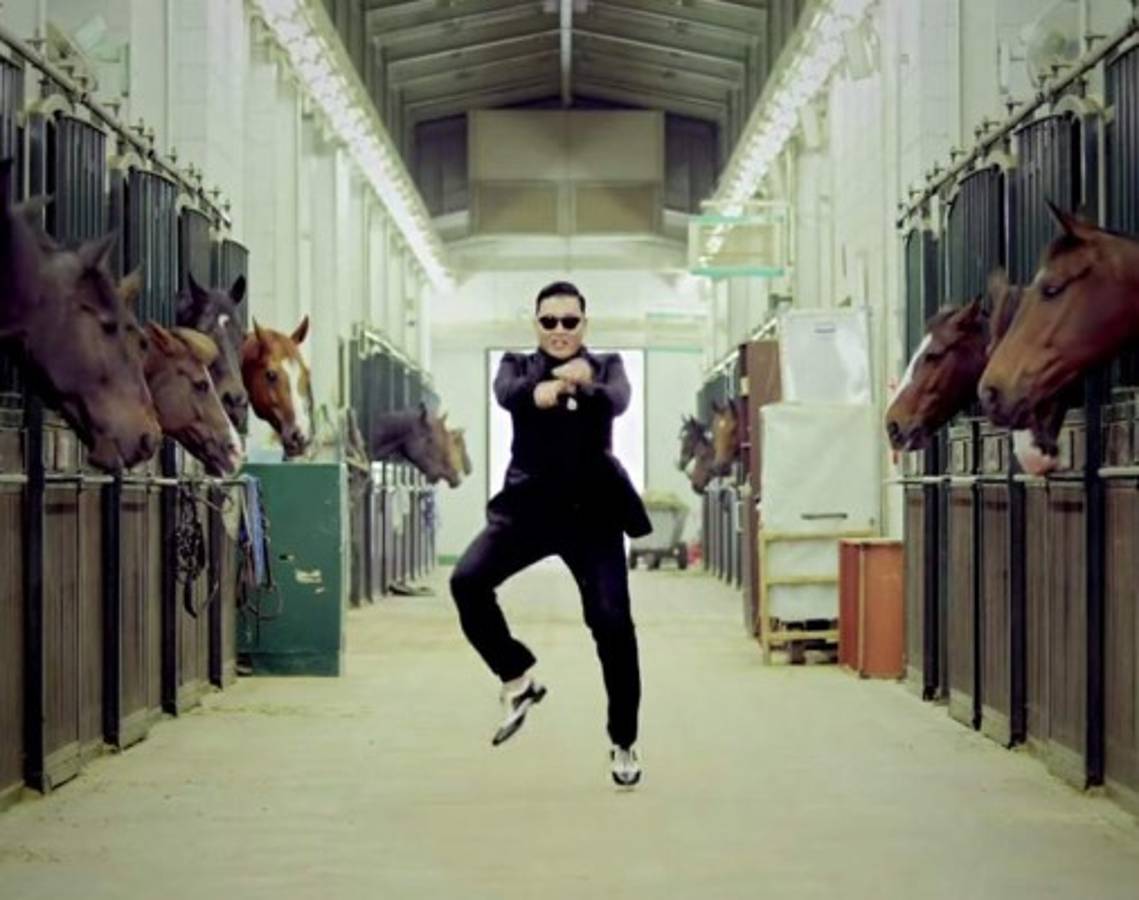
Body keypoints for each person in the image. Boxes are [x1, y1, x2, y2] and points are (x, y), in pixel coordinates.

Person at [450, 281, 651, 787]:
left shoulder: (607, 366)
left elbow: (618, 400)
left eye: (570, 321)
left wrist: (582, 384)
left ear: (585, 323)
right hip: (529, 509)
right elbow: (509, 394)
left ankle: (624, 740)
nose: (559, 330)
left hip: (593, 513)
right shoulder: (516, 366)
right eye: (549, 321)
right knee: (467, 582)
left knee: (612, 624)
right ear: (535, 324)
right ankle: (517, 677)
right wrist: (545, 388)